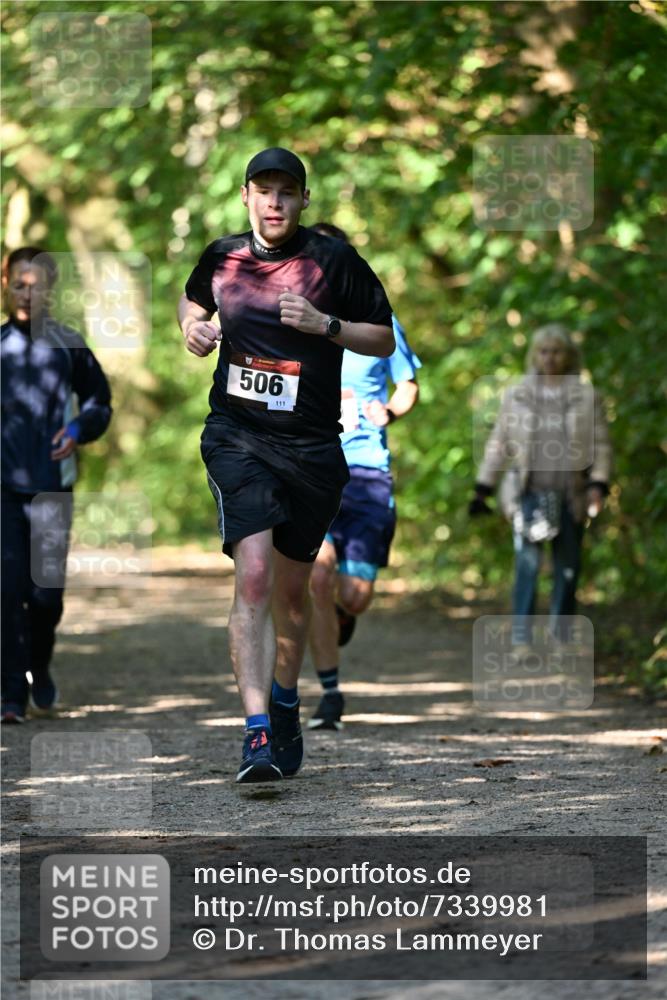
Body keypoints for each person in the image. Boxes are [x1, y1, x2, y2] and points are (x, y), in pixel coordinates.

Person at [178, 148, 394, 783]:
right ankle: (255, 734)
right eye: (264, 190)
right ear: (246, 195)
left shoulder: (334, 261)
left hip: (311, 448)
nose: (274, 202)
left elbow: (381, 335)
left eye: (287, 192)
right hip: (237, 437)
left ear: (304, 201)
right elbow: (194, 303)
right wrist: (191, 329)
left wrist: (326, 325)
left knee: (295, 596)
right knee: (253, 576)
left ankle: (287, 702)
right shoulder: (222, 256)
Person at [306, 223, 421, 731]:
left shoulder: (377, 319)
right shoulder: (293, 317)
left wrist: (389, 413)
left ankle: (339, 614)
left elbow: (409, 383)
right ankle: (330, 693)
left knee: (354, 595)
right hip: (310, 464)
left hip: (367, 466)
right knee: (317, 570)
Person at [1, 246, 112, 723]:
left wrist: (77, 430)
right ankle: (10, 695)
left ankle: (38, 664)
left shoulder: (69, 344)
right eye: (19, 283)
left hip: (51, 488)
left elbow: (99, 402)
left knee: (44, 596)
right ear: (6, 286)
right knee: (6, 590)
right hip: (2, 488)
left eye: (37, 284)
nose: (28, 293)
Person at [470, 323, 612, 650]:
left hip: (570, 493)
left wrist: (598, 485)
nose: (549, 358)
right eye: (544, 351)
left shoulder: (587, 397)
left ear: (568, 356)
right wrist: (483, 488)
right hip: (528, 493)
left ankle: (561, 639)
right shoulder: (517, 395)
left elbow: (601, 446)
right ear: (535, 355)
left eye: (556, 351)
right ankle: (522, 640)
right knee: (527, 567)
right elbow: (499, 443)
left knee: (567, 569)